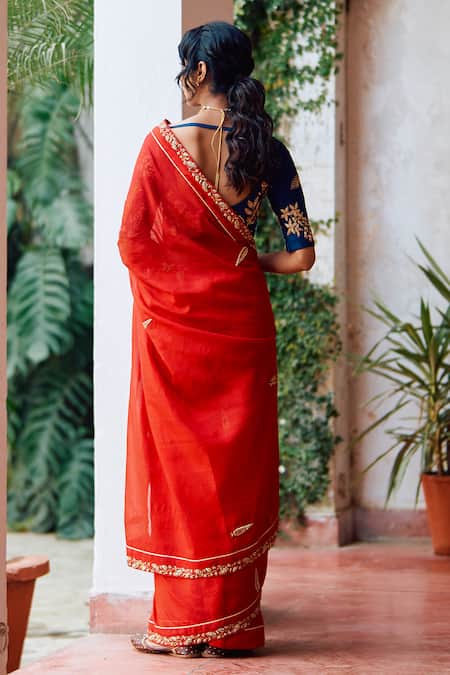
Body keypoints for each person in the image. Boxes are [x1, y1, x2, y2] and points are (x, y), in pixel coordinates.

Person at [117, 20, 315, 660]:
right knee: (235, 472)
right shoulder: (267, 151)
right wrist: (245, 262)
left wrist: (177, 293)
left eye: (186, 67)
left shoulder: (162, 147)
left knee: (181, 472)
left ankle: (181, 626)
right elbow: (301, 256)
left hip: (176, 334)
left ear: (199, 72)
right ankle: (234, 626)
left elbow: (133, 245)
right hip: (244, 329)